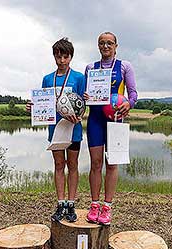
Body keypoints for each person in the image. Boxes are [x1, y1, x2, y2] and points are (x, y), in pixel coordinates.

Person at [27, 38, 85, 222]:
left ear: (71, 57)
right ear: (54, 56)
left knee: (73, 165)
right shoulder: (47, 79)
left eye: (65, 56)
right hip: (55, 129)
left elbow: (83, 104)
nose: (61, 60)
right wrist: (33, 108)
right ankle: (60, 203)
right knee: (59, 165)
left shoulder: (79, 77)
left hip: (73, 129)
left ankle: (71, 203)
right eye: (58, 56)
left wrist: (80, 115)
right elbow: (44, 104)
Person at [84, 32, 137, 225]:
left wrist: (129, 104)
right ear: (98, 46)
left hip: (116, 120)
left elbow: (133, 93)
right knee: (96, 163)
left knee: (112, 164)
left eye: (109, 43)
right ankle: (94, 204)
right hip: (95, 120)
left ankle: (107, 206)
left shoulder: (125, 66)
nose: (105, 46)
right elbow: (86, 93)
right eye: (102, 43)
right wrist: (85, 97)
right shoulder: (90, 67)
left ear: (116, 46)